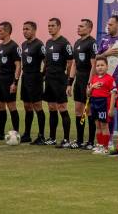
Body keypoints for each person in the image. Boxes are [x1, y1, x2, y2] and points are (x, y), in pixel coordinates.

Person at [43, 17, 73, 147]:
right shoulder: (48, 42)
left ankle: (66, 139)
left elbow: (70, 61)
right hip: (49, 79)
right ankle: (52, 137)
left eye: (53, 25)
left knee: (62, 108)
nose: (50, 28)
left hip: (60, 80)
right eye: (49, 25)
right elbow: (46, 60)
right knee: (51, 108)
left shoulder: (64, 43)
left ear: (59, 27)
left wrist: (67, 79)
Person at [68, 18, 96, 150]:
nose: (78, 28)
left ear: (89, 29)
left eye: (82, 26)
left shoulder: (92, 43)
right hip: (78, 80)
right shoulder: (77, 42)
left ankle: (90, 142)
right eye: (78, 26)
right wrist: (70, 83)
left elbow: (94, 65)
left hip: (87, 79)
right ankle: (79, 140)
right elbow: (74, 63)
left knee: (89, 110)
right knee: (78, 109)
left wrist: (90, 83)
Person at [0, 21, 21, 141]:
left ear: (8, 32)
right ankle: (0, 133)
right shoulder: (0, 46)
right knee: (0, 106)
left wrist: (15, 82)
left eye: (0, 31)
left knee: (11, 106)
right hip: (0, 80)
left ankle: (16, 133)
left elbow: (18, 66)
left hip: (9, 80)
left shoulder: (14, 46)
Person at [20, 21, 46, 144]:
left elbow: (46, 61)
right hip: (25, 77)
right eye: (24, 29)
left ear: (34, 30)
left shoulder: (39, 44)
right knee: (27, 106)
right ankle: (27, 134)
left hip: (35, 78)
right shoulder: (23, 44)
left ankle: (41, 136)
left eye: (28, 29)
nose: (25, 31)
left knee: (37, 106)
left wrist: (42, 75)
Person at [88, 56, 115, 155]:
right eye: (98, 65)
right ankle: (99, 145)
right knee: (97, 126)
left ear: (107, 66)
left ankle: (106, 147)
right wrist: (92, 87)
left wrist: (111, 109)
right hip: (94, 103)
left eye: (102, 65)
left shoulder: (110, 79)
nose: (100, 67)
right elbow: (88, 94)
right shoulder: (94, 78)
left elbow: (113, 94)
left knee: (104, 126)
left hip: (103, 103)